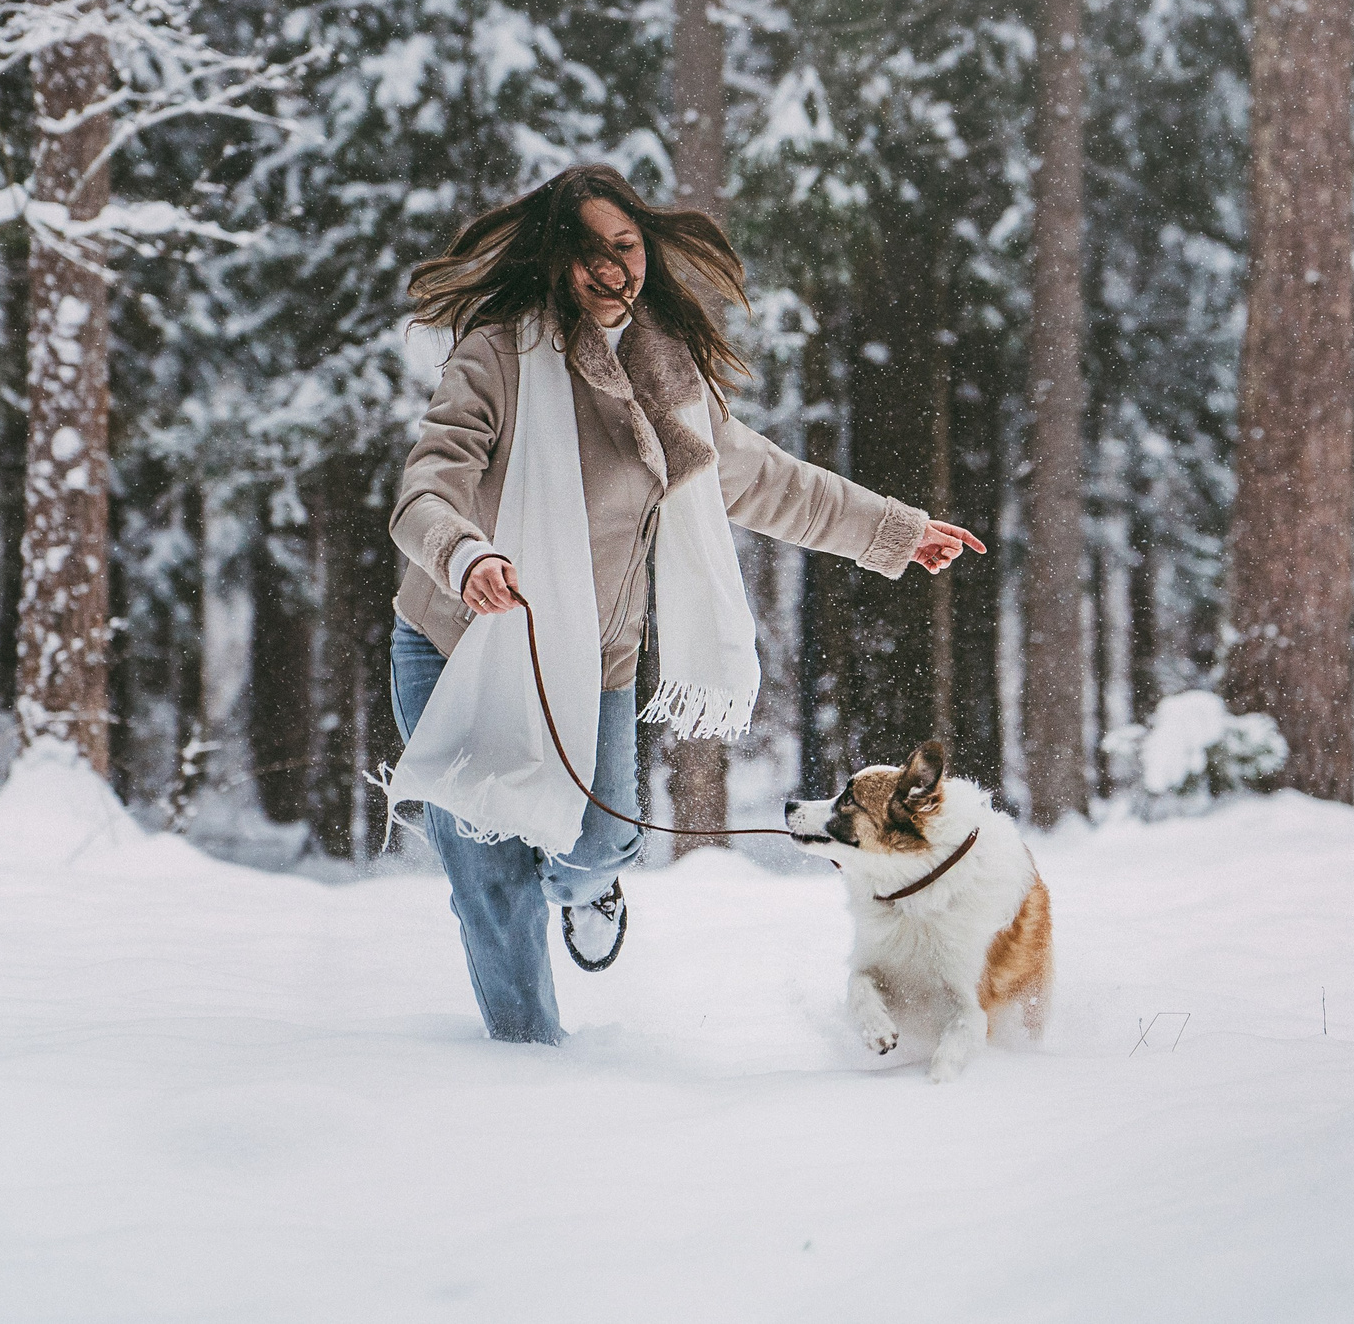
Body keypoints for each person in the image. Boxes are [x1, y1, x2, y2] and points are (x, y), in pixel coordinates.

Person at [387, 162, 983, 1044]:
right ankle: (526, 1078)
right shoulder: (498, 359)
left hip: (594, 662)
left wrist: (894, 531)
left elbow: (769, 481)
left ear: (645, 251)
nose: (609, 268)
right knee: (492, 883)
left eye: (623, 247)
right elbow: (426, 488)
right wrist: (465, 553)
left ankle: (590, 892)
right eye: (586, 252)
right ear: (553, 260)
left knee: (594, 846)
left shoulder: (668, 379)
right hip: (458, 647)